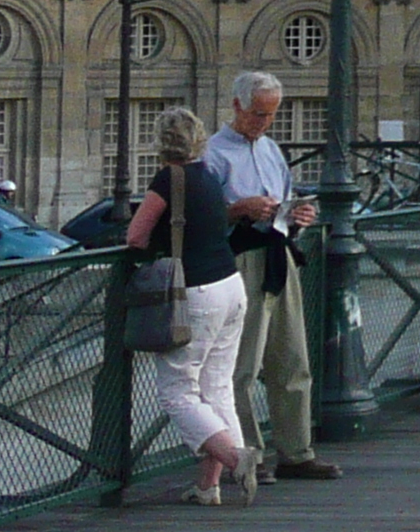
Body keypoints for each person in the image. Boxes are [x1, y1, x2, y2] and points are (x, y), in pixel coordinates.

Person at [200, 72, 341, 486]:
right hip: (241, 259)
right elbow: (206, 217)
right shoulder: (213, 153)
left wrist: (299, 215)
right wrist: (238, 208)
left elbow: (286, 194)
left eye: (271, 115)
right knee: (242, 365)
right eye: (259, 114)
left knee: (292, 358)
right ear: (238, 106)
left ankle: (296, 452)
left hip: (279, 253)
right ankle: (247, 455)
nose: (264, 122)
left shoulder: (271, 149)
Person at [127, 105, 249, 507]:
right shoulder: (209, 176)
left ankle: (236, 460)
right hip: (231, 284)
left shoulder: (169, 178)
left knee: (177, 392)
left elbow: (136, 236)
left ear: (161, 141)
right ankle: (208, 486)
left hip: (196, 293)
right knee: (217, 387)